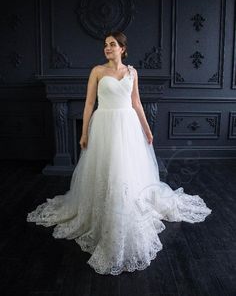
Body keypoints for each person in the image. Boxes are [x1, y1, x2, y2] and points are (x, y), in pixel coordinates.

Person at [27, 31, 212, 275]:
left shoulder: (132, 73)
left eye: (112, 45)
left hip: (128, 126)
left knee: (125, 170)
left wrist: (147, 130)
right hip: (104, 125)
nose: (107, 48)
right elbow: (89, 104)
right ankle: (103, 210)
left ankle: (125, 210)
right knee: (107, 168)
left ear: (122, 49)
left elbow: (136, 103)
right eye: (105, 45)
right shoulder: (97, 71)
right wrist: (84, 133)